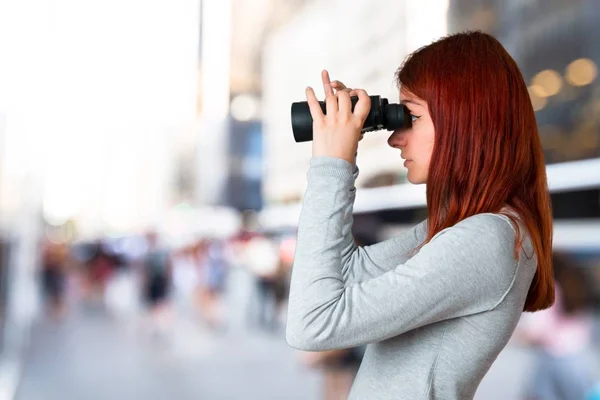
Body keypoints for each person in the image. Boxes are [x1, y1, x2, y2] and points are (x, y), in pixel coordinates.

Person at [285, 31, 555, 400]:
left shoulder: (487, 239)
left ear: (464, 120)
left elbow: (312, 325)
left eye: (411, 116)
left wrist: (331, 165)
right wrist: (341, 154)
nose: (396, 138)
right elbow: (340, 276)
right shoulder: (458, 231)